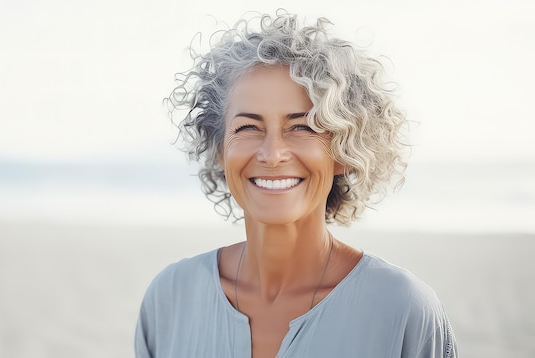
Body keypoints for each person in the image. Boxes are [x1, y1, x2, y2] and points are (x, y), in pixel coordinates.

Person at [135, 10, 458, 358]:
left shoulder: (403, 308)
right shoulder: (169, 298)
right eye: (248, 127)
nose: (272, 154)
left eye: (302, 127)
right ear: (219, 149)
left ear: (343, 152)